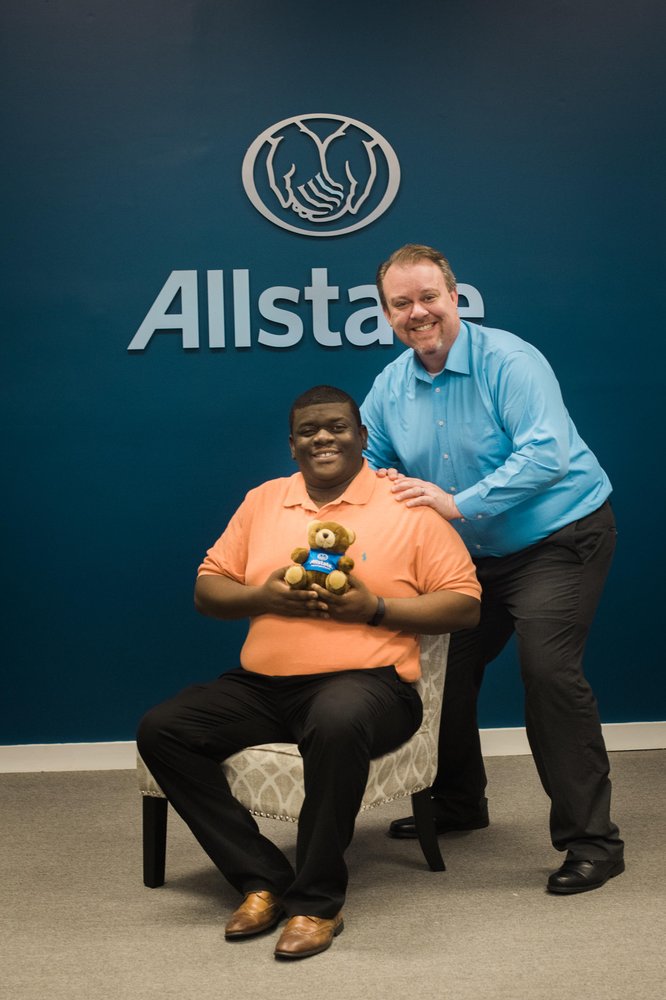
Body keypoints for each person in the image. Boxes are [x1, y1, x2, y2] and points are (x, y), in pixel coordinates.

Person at [137, 385, 481, 960]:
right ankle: (263, 878)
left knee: (336, 718)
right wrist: (263, 597)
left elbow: (465, 605)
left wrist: (375, 609)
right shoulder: (263, 500)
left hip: (370, 685)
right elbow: (207, 589)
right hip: (264, 685)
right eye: (308, 430)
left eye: (338, 427)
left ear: (362, 437)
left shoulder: (407, 507)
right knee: (163, 728)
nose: (323, 437)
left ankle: (317, 903)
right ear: (292, 444)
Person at [361, 244, 624, 895]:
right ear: (387, 313)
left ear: (455, 298)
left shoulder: (509, 361)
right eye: (401, 303)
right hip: (473, 557)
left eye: (429, 297)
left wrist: (455, 503)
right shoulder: (391, 386)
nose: (417, 313)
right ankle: (458, 802)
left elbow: (547, 454)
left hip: (557, 538)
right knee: (438, 664)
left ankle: (593, 842)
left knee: (548, 670)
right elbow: (365, 463)